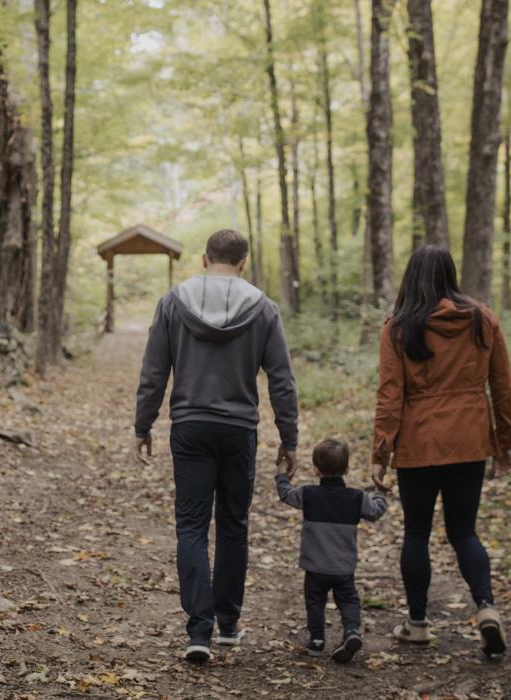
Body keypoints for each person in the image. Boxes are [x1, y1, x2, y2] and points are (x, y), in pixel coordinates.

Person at [134, 228, 299, 663]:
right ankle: (228, 624)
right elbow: (281, 380)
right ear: (243, 262)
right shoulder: (262, 308)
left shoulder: (173, 303)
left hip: (190, 427)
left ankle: (198, 632)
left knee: (191, 527)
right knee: (233, 525)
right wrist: (290, 438)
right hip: (239, 429)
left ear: (205, 259)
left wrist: (143, 424)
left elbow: (154, 371)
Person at [371, 245, 511, 660]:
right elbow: (503, 386)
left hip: (419, 442)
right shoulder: (482, 319)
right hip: (470, 440)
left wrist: (380, 451)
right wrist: (504, 441)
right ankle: (486, 607)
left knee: (417, 532)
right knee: (464, 532)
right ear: (451, 273)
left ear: (410, 276)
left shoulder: (399, 327)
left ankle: (417, 624)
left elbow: (389, 395)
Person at [276, 438, 388, 663]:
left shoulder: (308, 494)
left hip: (315, 567)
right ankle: (351, 632)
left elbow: (286, 494)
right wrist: (380, 490)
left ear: (316, 469)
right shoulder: (357, 498)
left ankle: (317, 641)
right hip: (343, 568)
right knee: (348, 600)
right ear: (346, 469)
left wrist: (282, 473)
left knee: (315, 601)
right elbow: (375, 512)